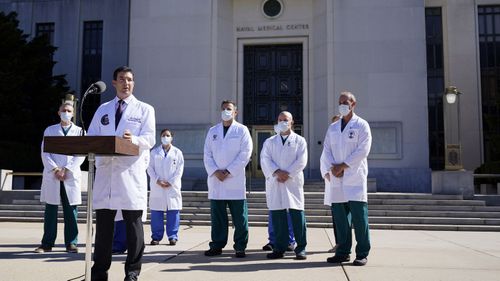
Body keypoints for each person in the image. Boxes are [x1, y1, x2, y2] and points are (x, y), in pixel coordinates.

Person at [87, 66, 156, 281]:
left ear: (133, 83)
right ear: (114, 82)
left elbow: (149, 139)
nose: (126, 83)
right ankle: (99, 272)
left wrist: (132, 139)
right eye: (122, 79)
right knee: (104, 229)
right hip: (107, 174)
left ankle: (132, 272)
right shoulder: (103, 109)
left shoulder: (145, 109)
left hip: (129, 174)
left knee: (133, 226)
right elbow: (91, 136)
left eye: (130, 79)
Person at [320, 91, 372, 266]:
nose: (342, 104)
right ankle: (342, 251)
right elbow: (326, 150)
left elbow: (363, 150)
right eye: (340, 102)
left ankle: (362, 253)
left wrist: (343, 166)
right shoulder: (333, 128)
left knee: (359, 218)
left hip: (354, 178)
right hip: (336, 178)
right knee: (341, 220)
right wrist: (332, 168)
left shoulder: (362, 125)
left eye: (346, 102)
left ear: (353, 104)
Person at [203, 100, 252, 258]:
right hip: (216, 180)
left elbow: (245, 154)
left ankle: (240, 246)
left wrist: (229, 171)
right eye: (223, 109)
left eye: (229, 109)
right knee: (218, 218)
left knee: (240, 218)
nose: (226, 111)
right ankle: (217, 245)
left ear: (235, 112)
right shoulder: (213, 131)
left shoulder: (242, 130)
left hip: (234, 180)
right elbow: (207, 154)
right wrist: (215, 171)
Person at [35, 102, 85, 254]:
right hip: (53, 175)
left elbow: (81, 153)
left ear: (73, 113)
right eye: (63, 110)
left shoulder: (80, 131)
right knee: (50, 210)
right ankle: (47, 243)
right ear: (58, 112)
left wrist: (67, 169)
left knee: (71, 211)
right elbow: (45, 152)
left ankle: (71, 243)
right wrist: (56, 169)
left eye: (69, 110)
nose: (66, 112)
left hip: (70, 175)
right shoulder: (50, 130)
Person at [260, 111, 308, 260]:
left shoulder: (300, 141)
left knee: (297, 215)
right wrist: (277, 172)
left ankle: (300, 248)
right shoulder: (269, 142)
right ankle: (279, 248)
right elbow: (264, 159)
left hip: (292, 182)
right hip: (276, 182)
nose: (282, 122)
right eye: (280, 119)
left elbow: (302, 161)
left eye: (285, 120)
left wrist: (287, 174)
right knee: (277, 216)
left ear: (292, 122)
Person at [147, 128, 184, 246]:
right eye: (163, 135)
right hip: (158, 186)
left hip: (172, 187)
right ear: (160, 137)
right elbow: (149, 168)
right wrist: (158, 181)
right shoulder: (154, 152)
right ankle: (156, 237)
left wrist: (171, 182)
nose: (165, 137)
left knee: (173, 211)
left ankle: (173, 236)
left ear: (172, 137)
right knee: (156, 212)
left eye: (168, 135)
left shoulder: (177, 152)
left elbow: (179, 170)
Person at [327, 114, 341, 253]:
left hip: (350, 182)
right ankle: (339, 244)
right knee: (337, 217)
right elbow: (325, 158)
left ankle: (346, 244)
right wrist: (327, 172)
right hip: (334, 182)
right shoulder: (330, 140)